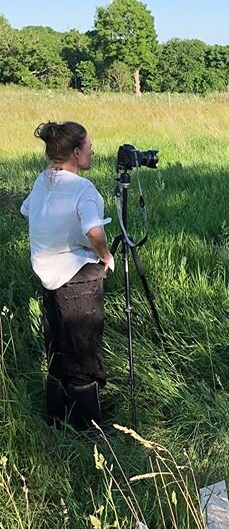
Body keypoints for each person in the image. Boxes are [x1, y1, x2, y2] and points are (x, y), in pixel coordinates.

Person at [21, 121, 114, 429]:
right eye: (89, 147)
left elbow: (27, 210)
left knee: (58, 345)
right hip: (77, 276)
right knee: (84, 350)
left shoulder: (42, 180)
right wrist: (104, 255)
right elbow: (93, 229)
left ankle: (55, 419)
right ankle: (89, 429)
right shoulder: (83, 188)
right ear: (76, 152)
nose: (93, 151)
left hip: (47, 274)